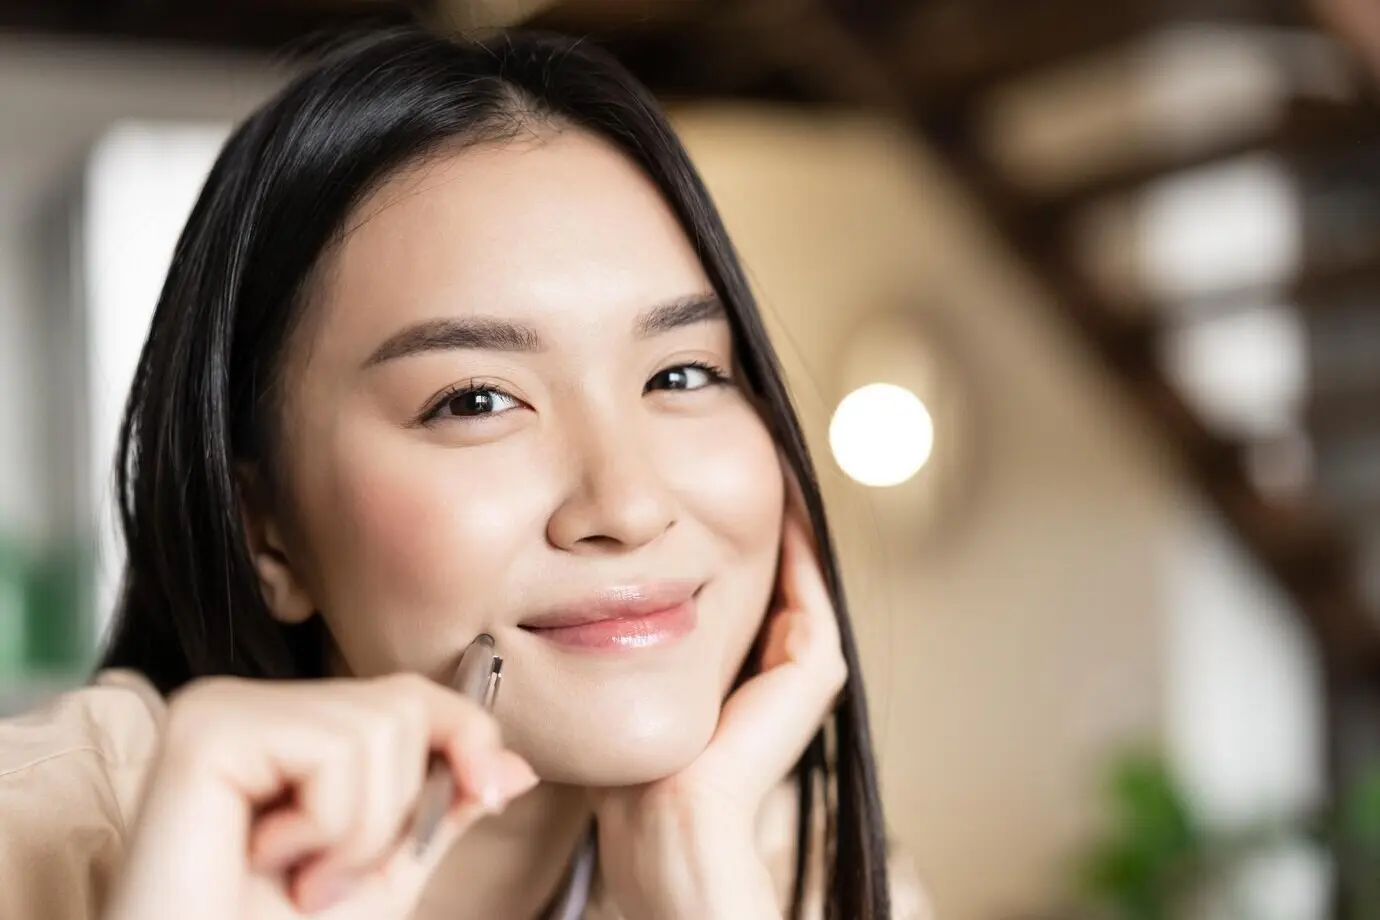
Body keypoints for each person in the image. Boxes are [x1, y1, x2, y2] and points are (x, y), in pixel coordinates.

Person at [0, 26, 928, 920]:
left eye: (681, 374)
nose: (630, 505)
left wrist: (699, 878)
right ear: (264, 528)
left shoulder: (794, 868)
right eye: (476, 400)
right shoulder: (34, 842)